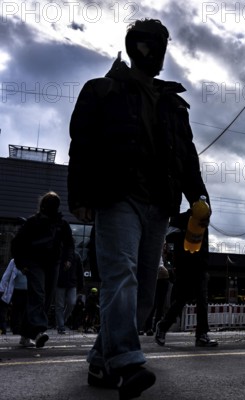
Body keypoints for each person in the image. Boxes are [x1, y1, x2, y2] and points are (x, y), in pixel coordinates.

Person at [68, 18, 211, 398]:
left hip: (159, 204)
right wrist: (80, 197)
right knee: (122, 276)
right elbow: (81, 146)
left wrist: (200, 196)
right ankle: (128, 362)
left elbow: (187, 157)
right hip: (117, 196)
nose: (158, 52)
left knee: (147, 289)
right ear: (135, 46)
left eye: (164, 44)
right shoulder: (102, 90)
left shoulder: (173, 104)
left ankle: (101, 362)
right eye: (151, 44)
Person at [11, 191, 75, 348]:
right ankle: (38, 331)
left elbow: (69, 244)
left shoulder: (61, 224)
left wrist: (67, 259)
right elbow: (17, 243)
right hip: (35, 263)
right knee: (38, 295)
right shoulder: (33, 223)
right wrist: (21, 263)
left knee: (45, 298)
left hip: (52, 264)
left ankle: (26, 333)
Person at [155, 212, 218, 348]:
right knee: (182, 299)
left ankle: (201, 335)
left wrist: (205, 264)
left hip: (200, 265)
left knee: (202, 299)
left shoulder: (203, 221)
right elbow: (170, 239)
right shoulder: (179, 218)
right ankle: (163, 326)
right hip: (184, 265)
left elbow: (204, 244)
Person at [140, 249, 171, 336]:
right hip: (155, 277)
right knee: (153, 304)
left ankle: (154, 327)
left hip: (162, 277)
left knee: (159, 305)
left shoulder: (161, 253)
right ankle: (147, 327)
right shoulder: (152, 249)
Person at [1, 259, 31, 346]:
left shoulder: (32, 261)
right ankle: (16, 329)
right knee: (16, 310)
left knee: (26, 311)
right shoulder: (13, 262)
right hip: (16, 291)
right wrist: (2, 288)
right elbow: (6, 275)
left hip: (28, 291)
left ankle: (24, 332)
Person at [55, 248, 84, 334]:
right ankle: (61, 326)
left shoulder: (76, 256)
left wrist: (81, 284)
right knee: (59, 305)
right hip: (60, 283)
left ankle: (62, 321)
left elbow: (80, 271)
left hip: (72, 283)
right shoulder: (59, 255)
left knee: (72, 303)